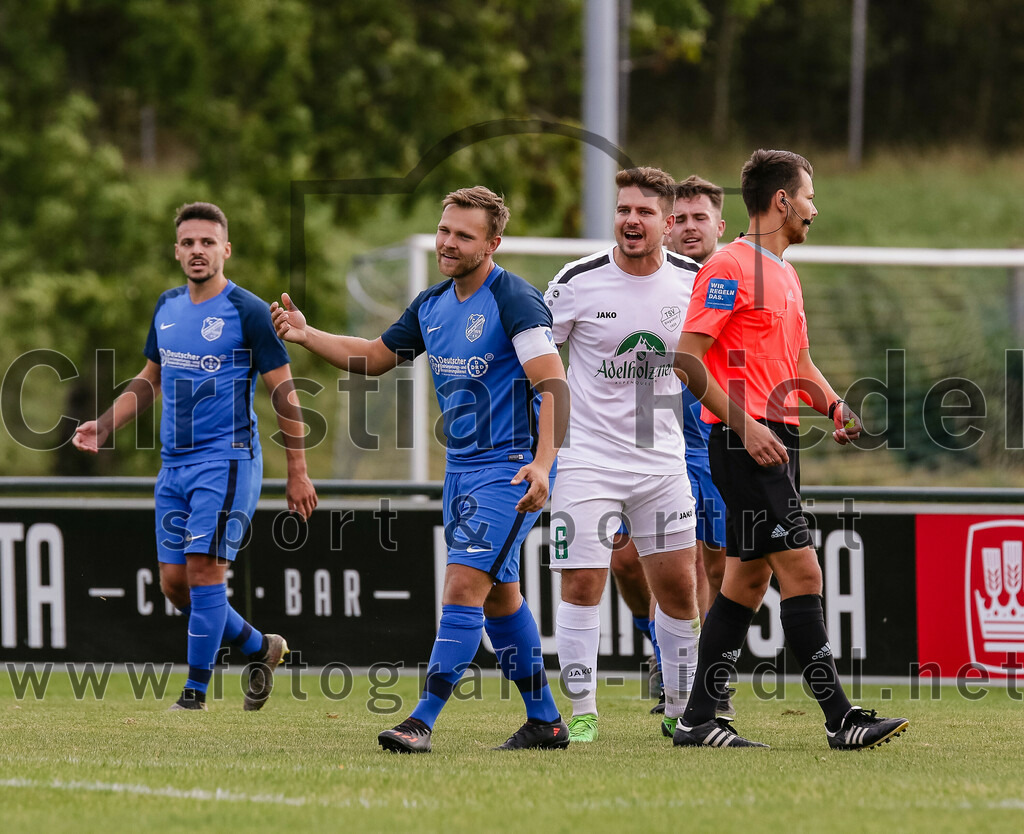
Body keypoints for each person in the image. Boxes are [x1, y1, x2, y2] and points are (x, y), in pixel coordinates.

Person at [272, 186, 570, 753]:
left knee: (462, 586)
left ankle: (421, 720)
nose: (447, 242)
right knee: (501, 596)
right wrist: (306, 335)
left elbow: (552, 383)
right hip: (461, 471)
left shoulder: (516, 301)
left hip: (509, 470)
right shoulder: (432, 303)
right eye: (444, 230)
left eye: (464, 234)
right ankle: (546, 720)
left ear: (493, 243)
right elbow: (372, 357)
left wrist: (541, 464)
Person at [672, 149, 908, 749]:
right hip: (744, 441)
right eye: (808, 196)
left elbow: (798, 361)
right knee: (802, 569)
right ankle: (840, 717)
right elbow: (687, 360)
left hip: (776, 440)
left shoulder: (784, 271)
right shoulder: (727, 267)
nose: (814, 208)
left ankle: (699, 719)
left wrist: (832, 405)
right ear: (782, 201)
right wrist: (747, 427)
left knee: (746, 582)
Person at [73, 202, 318, 711]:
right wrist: (105, 423)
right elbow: (150, 380)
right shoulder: (166, 306)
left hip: (226, 462)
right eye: (188, 243)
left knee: (206, 572)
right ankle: (260, 646)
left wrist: (298, 471)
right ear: (177, 251)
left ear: (225, 250)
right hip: (174, 466)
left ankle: (193, 698)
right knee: (176, 586)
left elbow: (284, 393)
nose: (197, 251)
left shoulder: (248, 310)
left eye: (207, 242)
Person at [545, 167, 701, 743]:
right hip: (586, 460)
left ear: (667, 221)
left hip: (662, 463)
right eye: (623, 210)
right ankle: (581, 716)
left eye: (644, 212)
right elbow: (538, 357)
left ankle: (682, 712)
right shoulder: (577, 280)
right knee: (582, 584)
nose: (631, 220)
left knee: (679, 591)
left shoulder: (693, 280)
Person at [609, 175, 731, 728]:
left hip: (707, 442)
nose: (687, 228)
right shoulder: (652, 280)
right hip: (642, 439)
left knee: (707, 560)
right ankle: (660, 649)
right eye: (678, 218)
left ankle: (702, 680)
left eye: (697, 219)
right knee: (626, 562)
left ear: (718, 226)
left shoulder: (728, 283)